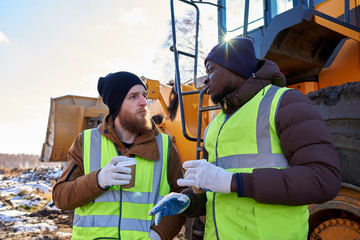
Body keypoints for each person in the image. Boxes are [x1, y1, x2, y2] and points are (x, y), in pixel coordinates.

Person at [149, 38, 341, 240]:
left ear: (236, 69)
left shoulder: (285, 102)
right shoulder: (215, 125)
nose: (205, 80)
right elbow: (215, 192)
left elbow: (323, 179)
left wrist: (233, 181)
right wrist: (188, 201)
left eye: (211, 70)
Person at [52, 71, 185, 240]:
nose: (144, 102)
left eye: (144, 95)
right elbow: (61, 197)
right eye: (133, 97)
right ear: (116, 104)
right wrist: (99, 179)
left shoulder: (165, 145)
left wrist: (158, 235)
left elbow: (181, 198)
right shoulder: (86, 141)